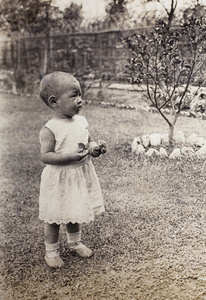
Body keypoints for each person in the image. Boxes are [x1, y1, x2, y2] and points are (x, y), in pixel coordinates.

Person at [39, 71, 106, 268]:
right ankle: (51, 251)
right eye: (74, 95)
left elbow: (88, 140)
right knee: (54, 216)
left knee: (74, 210)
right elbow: (46, 156)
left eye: (80, 95)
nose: (80, 100)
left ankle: (74, 242)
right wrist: (69, 156)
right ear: (54, 101)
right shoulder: (50, 128)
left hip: (78, 176)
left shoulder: (81, 121)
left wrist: (94, 148)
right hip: (59, 179)